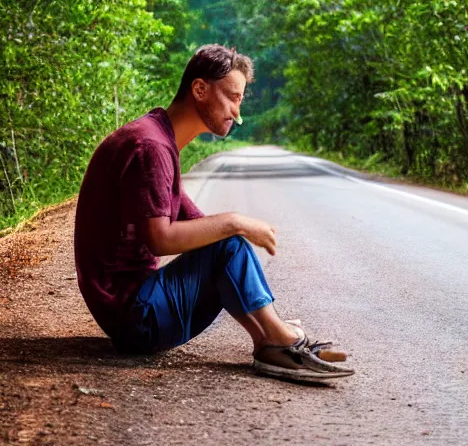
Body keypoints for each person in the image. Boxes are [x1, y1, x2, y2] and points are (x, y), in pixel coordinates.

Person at [74, 44, 354, 382]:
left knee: (226, 242)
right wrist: (236, 222)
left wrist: (230, 231)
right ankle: (279, 338)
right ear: (200, 89)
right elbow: (161, 239)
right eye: (232, 97)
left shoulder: (157, 137)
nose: (238, 113)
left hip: (129, 309)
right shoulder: (151, 147)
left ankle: (271, 339)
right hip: (133, 315)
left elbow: (198, 226)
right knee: (229, 240)